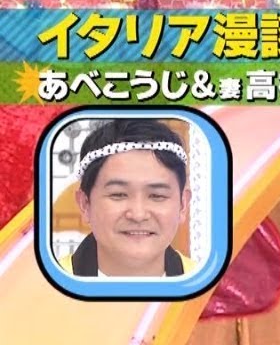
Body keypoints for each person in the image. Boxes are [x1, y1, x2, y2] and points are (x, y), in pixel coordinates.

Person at [56, 118, 195, 278]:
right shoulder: (41, 286)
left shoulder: (209, 286)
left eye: (157, 195)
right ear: (85, 204)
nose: (138, 215)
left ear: (182, 205)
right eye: (118, 194)